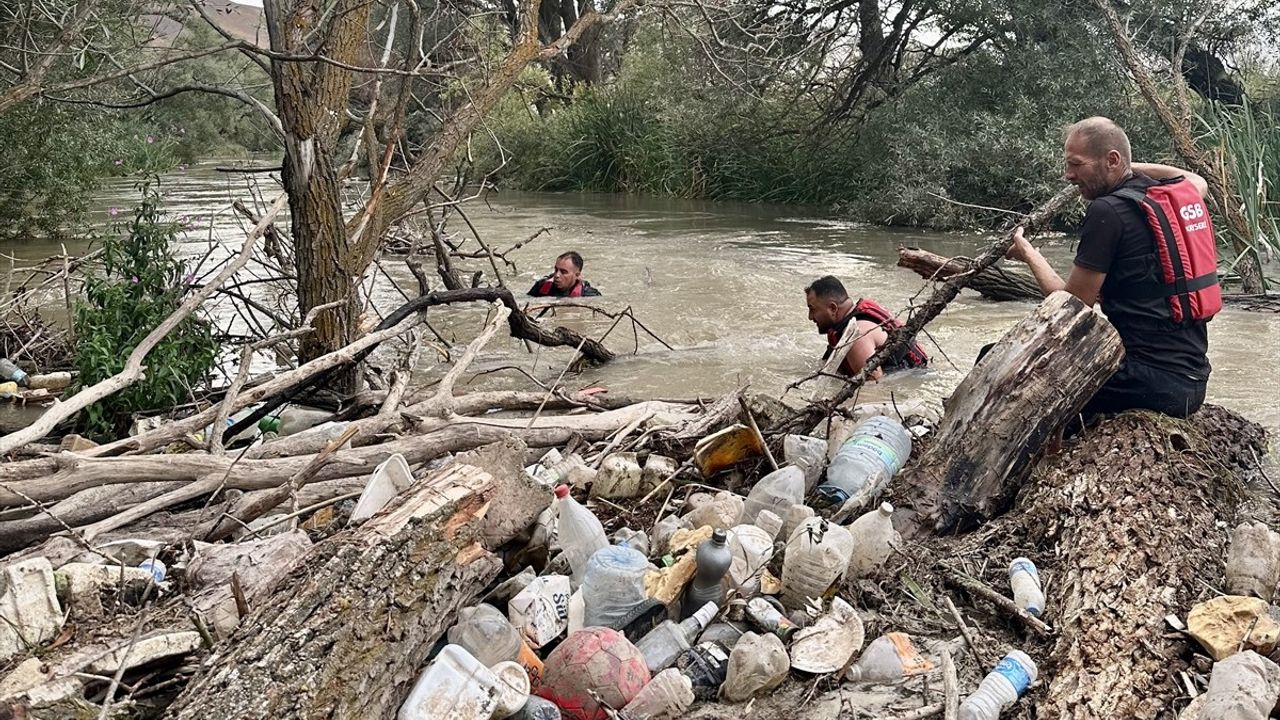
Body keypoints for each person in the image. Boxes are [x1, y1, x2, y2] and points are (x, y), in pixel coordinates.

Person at [1005, 116, 1221, 418]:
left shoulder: (1108, 211)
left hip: (1147, 382)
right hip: (1191, 381)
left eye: (1076, 164)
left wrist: (1028, 253)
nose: (1068, 175)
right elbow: (1197, 180)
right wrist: (1129, 167)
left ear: (1112, 160)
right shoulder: (1172, 199)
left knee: (1002, 365)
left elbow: (1071, 306)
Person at [804, 276, 929, 379]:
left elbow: (874, 387)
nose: (810, 317)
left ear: (833, 308)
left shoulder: (857, 336)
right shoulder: (846, 325)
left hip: (913, 378)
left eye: (812, 309)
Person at [528, 251, 602, 298]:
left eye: (563, 272)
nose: (557, 275)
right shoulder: (540, 287)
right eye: (556, 270)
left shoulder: (590, 295)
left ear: (577, 275)